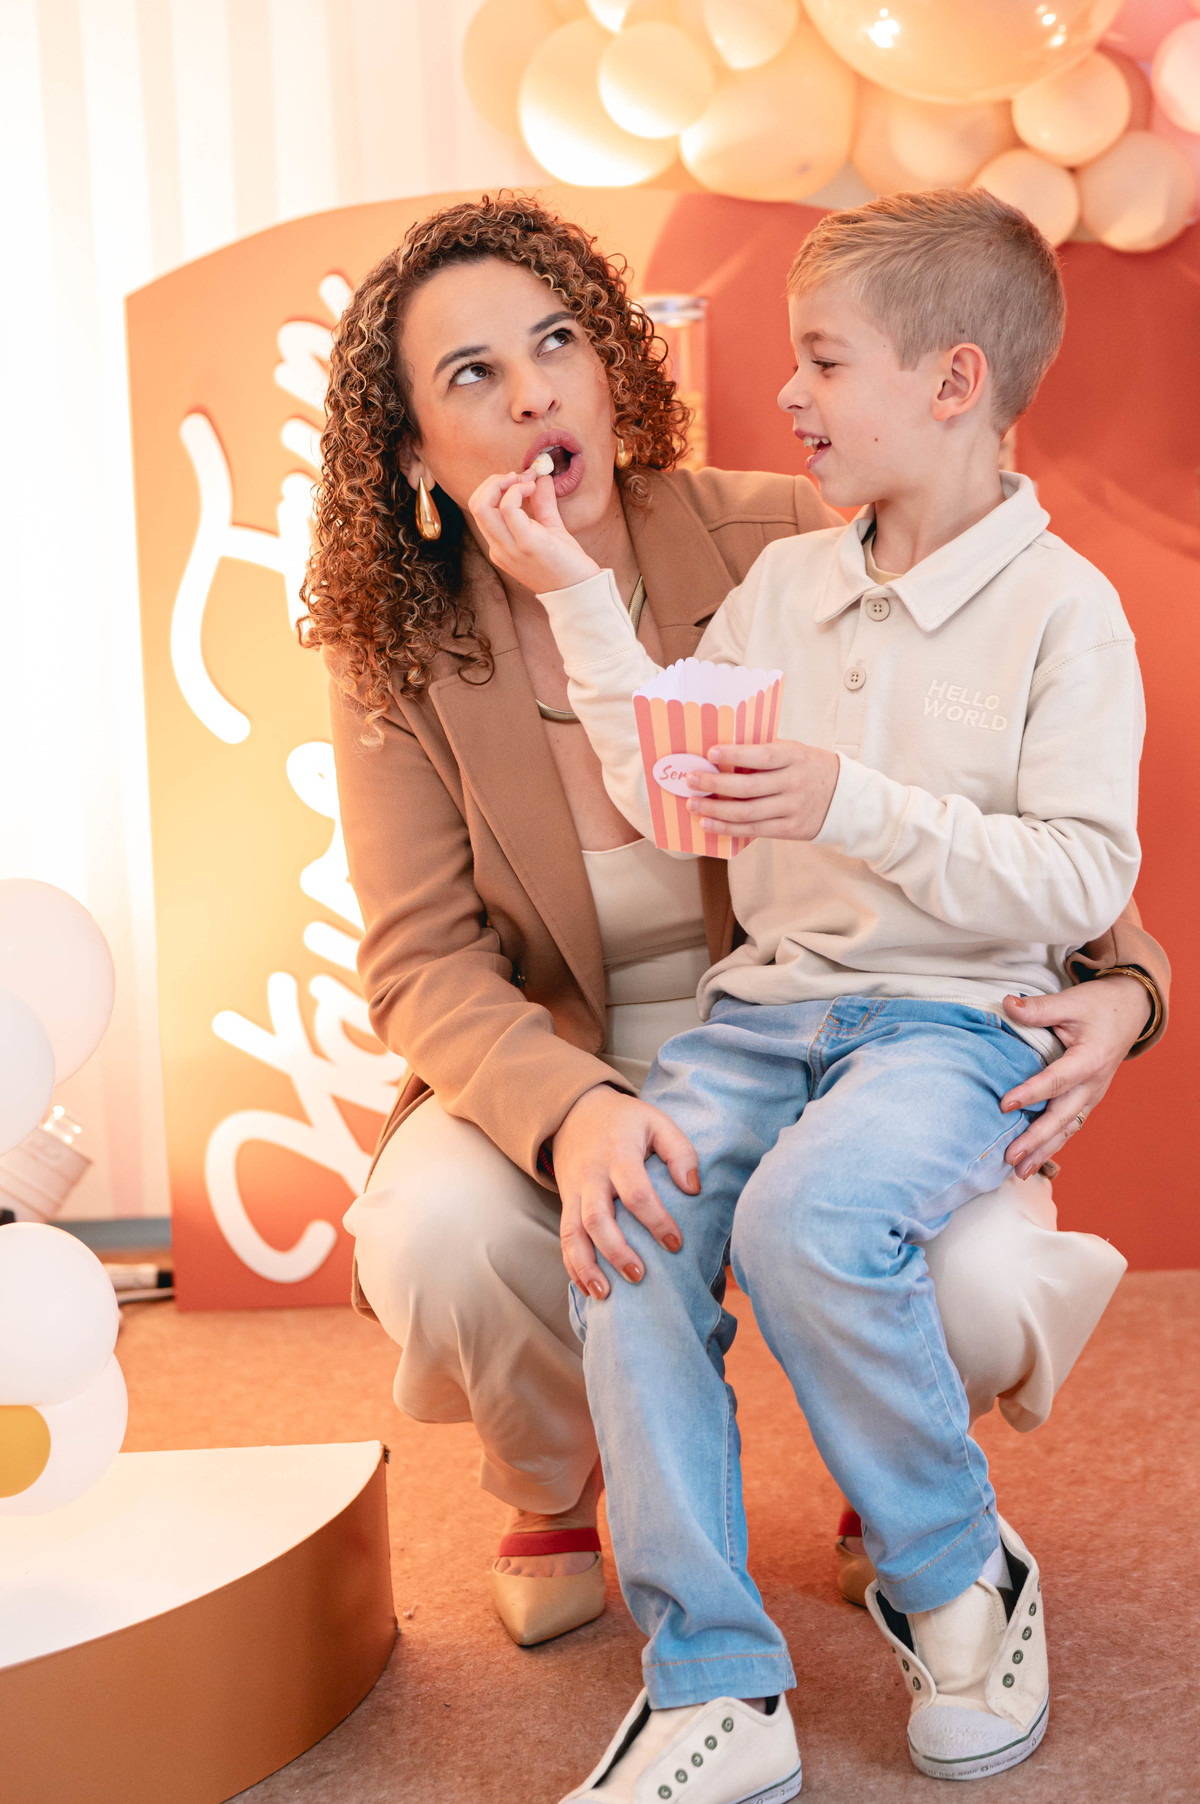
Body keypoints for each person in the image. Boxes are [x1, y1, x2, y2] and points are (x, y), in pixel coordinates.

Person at [300, 193, 1168, 1657]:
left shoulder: (790, 538)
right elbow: (421, 960)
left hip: (844, 1021)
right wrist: (574, 1112)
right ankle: (570, 1494)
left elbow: (1030, 814)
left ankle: (906, 1488)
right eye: (473, 375)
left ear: (608, 366)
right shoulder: (398, 648)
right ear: (415, 458)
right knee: (450, 1232)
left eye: (557, 343)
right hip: (581, 1048)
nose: (533, 393)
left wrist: (1131, 988)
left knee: (936, 1256)